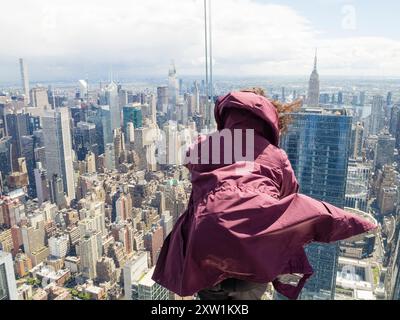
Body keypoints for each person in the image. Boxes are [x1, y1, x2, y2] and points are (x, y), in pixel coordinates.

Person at [152, 88, 376, 300]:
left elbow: (190, 158)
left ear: (227, 115)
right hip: (252, 255)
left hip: (205, 249)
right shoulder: (277, 156)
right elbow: (289, 197)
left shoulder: (205, 146)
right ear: (267, 121)